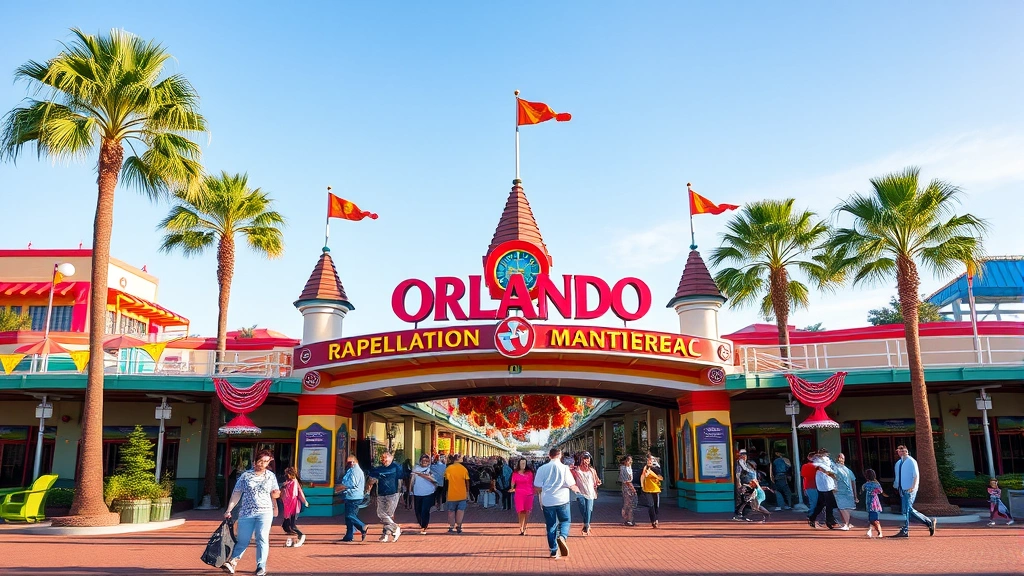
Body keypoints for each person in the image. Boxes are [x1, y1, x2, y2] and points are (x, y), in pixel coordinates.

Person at [222, 450, 281, 576]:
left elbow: (274, 493)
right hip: (246, 512)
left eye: (266, 461)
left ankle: (261, 566)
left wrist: (276, 501)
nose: (263, 464)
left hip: (265, 512)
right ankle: (233, 562)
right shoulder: (245, 476)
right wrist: (229, 510)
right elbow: (236, 493)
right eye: (261, 461)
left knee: (262, 538)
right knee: (243, 539)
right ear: (255, 461)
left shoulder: (270, 476)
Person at [534, 447, 582, 559]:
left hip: (548, 501)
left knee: (551, 525)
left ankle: (553, 550)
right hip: (562, 500)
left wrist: (540, 497)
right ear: (560, 455)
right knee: (565, 520)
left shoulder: (542, 469)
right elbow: (571, 484)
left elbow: (537, 486)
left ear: (549, 456)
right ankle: (563, 537)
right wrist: (579, 493)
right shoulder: (565, 468)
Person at [890, 444, 936, 538]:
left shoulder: (911, 461)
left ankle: (905, 530)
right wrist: (897, 487)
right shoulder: (898, 463)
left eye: (903, 451)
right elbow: (898, 477)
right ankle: (928, 522)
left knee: (907, 510)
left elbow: (916, 475)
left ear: (906, 452)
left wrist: (913, 487)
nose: (901, 453)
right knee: (907, 510)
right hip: (902, 489)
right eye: (899, 451)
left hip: (909, 489)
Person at [365, 451, 405, 543]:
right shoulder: (378, 469)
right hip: (381, 494)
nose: (383, 460)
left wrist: (401, 493)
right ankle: (395, 528)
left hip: (393, 494)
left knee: (389, 514)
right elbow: (371, 481)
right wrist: (368, 489)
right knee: (381, 514)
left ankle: (385, 535)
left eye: (385, 458)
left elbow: (401, 480)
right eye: (382, 458)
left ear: (391, 458)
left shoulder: (396, 467)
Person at [336, 454, 368, 543]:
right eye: (349, 462)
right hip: (351, 495)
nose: (350, 463)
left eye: (351, 462)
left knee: (350, 515)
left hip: (354, 496)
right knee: (349, 517)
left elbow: (352, 484)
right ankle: (349, 535)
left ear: (355, 461)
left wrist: (342, 487)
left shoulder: (355, 471)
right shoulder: (352, 470)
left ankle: (362, 526)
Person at [806, 450, 839, 530]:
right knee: (829, 504)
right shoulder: (820, 463)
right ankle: (830, 521)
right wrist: (833, 476)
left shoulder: (824, 461)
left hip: (824, 486)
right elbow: (825, 471)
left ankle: (812, 518)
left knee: (821, 504)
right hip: (825, 486)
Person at [570, 451, 601, 535]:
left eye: (587, 459)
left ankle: (586, 525)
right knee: (583, 508)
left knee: (589, 510)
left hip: (590, 493)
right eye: (584, 459)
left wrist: (598, 482)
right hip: (579, 493)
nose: (586, 461)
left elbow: (597, 480)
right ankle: (586, 524)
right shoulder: (576, 470)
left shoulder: (592, 470)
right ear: (580, 460)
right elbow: (570, 478)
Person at [279, 466, 308, 548]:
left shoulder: (294, 482)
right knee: (287, 525)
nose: (286, 475)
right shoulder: (288, 482)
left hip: (293, 506)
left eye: (287, 474)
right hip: (288, 506)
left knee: (292, 525)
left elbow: (297, 493)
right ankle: (295, 536)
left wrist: (304, 501)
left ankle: (301, 535)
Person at [409, 454, 438, 534]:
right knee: (417, 510)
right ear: (420, 461)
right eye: (423, 460)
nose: (425, 462)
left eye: (427, 461)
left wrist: (424, 475)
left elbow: (435, 481)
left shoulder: (431, 469)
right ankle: (421, 523)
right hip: (417, 492)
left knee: (425, 510)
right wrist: (410, 490)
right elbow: (412, 480)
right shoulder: (416, 468)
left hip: (428, 493)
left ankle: (424, 526)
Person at [444, 454, 471, 533]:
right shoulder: (464, 469)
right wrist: (467, 492)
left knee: (451, 511)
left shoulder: (449, 469)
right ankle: (459, 525)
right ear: (458, 459)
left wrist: (445, 493)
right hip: (462, 493)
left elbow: (446, 481)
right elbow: (467, 481)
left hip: (451, 493)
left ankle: (451, 526)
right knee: (460, 510)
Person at [510, 457, 536, 535]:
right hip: (519, 494)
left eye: (524, 463)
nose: (523, 465)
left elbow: (533, 482)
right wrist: (512, 488)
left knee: (527, 511)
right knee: (520, 511)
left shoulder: (530, 473)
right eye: (521, 463)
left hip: (529, 494)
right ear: (519, 464)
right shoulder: (515, 473)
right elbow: (512, 483)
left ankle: (525, 527)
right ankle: (521, 527)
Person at [832, 453, 858, 530]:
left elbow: (853, 481)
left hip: (841, 491)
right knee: (845, 508)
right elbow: (853, 482)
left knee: (843, 508)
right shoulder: (846, 469)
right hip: (845, 491)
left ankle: (846, 524)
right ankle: (846, 523)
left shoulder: (838, 469)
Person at [640, 454, 664, 528]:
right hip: (647, 489)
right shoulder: (645, 468)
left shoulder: (657, 468)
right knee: (651, 505)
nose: (650, 461)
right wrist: (642, 486)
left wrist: (654, 472)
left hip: (656, 489)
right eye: (649, 459)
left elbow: (661, 477)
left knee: (656, 505)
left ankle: (656, 519)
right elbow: (643, 476)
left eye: (652, 459)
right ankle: (653, 521)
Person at [861, 468, 886, 538]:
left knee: (873, 519)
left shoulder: (865, 485)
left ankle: (879, 532)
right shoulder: (876, 484)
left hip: (871, 504)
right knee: (872, 519)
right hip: (875, 504)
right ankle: (870, 531)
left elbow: (862, 491)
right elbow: (880, 491)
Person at [733, 449, 754, 519]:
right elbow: (737, 474)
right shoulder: (740, 462)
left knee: (745, 498)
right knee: (741, 498)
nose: (744, 456)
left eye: (745, 455)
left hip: (745, 483)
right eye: (742, 455)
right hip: (742, 483)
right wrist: (738, 483)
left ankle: (742, 513)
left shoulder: (744, 463)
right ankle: (739, 513)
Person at [619, 455, 637, 526]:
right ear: (625, 461)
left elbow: (630, 478)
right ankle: (627, 519)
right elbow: (624, 480)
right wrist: (631, 487)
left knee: (631, 503)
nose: (630, 462)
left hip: (630, 485)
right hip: (626, 487)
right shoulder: (623, 468)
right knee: (627, 503)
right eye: (629, 460)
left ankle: (630, 519)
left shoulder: (630, 468)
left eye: (631, 460)